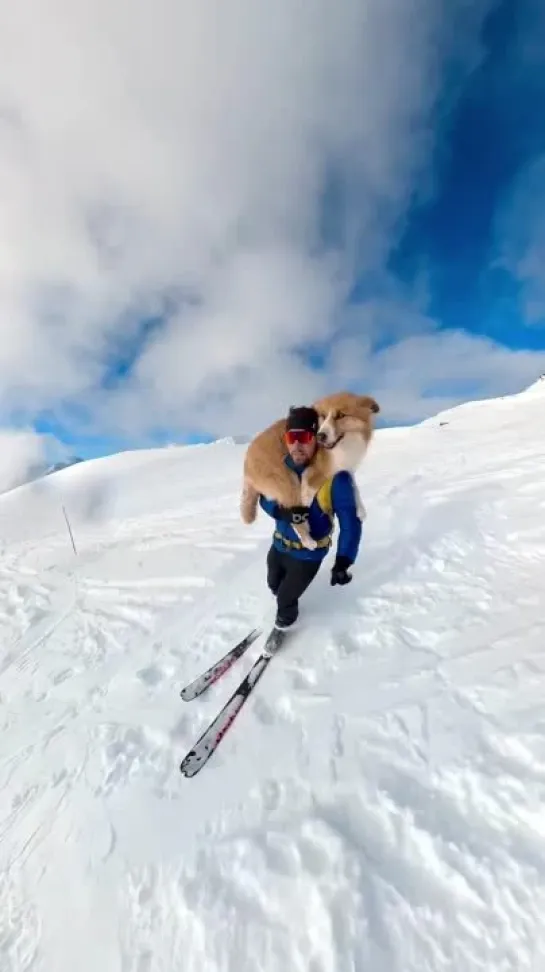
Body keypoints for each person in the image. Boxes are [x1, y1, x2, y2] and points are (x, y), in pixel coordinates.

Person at [258, 405, 363, 631]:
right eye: (291, 437)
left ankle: (285, 624)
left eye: (304, 436)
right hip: (278, 546)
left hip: (307, 555)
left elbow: (350, 522)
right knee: (273, 584)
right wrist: (281, 511)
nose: (297, 444)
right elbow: (264, 498)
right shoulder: (279, 470)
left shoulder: (336, 478)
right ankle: (283, 601)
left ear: (316, 437)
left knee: (286, 598)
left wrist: (344, 560)